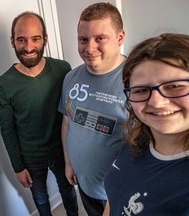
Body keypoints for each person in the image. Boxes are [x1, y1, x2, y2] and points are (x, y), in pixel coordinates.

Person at [103, 33, 189, 215]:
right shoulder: (138, 138)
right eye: (141, 90)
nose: (156, 102)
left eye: (174, 86)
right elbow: (114, 199)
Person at [0, 11, 78, 216]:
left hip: (62, 151)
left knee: (68, 192)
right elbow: (8, 129)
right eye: (21, 39)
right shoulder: (4, 84)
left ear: (45, 40)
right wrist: (17, 167)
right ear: (12, 41)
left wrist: (75, 153)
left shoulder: (62, 69)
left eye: (35, 39)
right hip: (30, 157)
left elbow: (70, 114)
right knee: (40, 199)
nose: (29, 47)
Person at [58, 2, 128, 216]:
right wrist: (69, 163)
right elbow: (67, 121)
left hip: (119, 194)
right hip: (86, 186)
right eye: (83, 39)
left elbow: (143, 146)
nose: (89, 48)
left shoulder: (136, 81)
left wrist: (118, 194)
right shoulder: (71, 77)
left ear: (120, 37)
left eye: (100, 38)